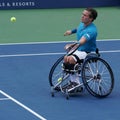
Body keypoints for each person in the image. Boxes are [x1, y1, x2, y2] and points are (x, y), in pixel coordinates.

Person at [63, 8, 98, 89]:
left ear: (91, 19)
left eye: (85, 15)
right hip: (79, 49)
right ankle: (73, 81)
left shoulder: (92, 30)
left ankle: (76, 84)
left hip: (88, 52)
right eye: (82, 14)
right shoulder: (82, 24)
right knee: (66, 58)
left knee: (71, 59)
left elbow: (82, 41)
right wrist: (71, 31)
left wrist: (72, 44)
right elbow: (78, 28)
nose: (82, 16)